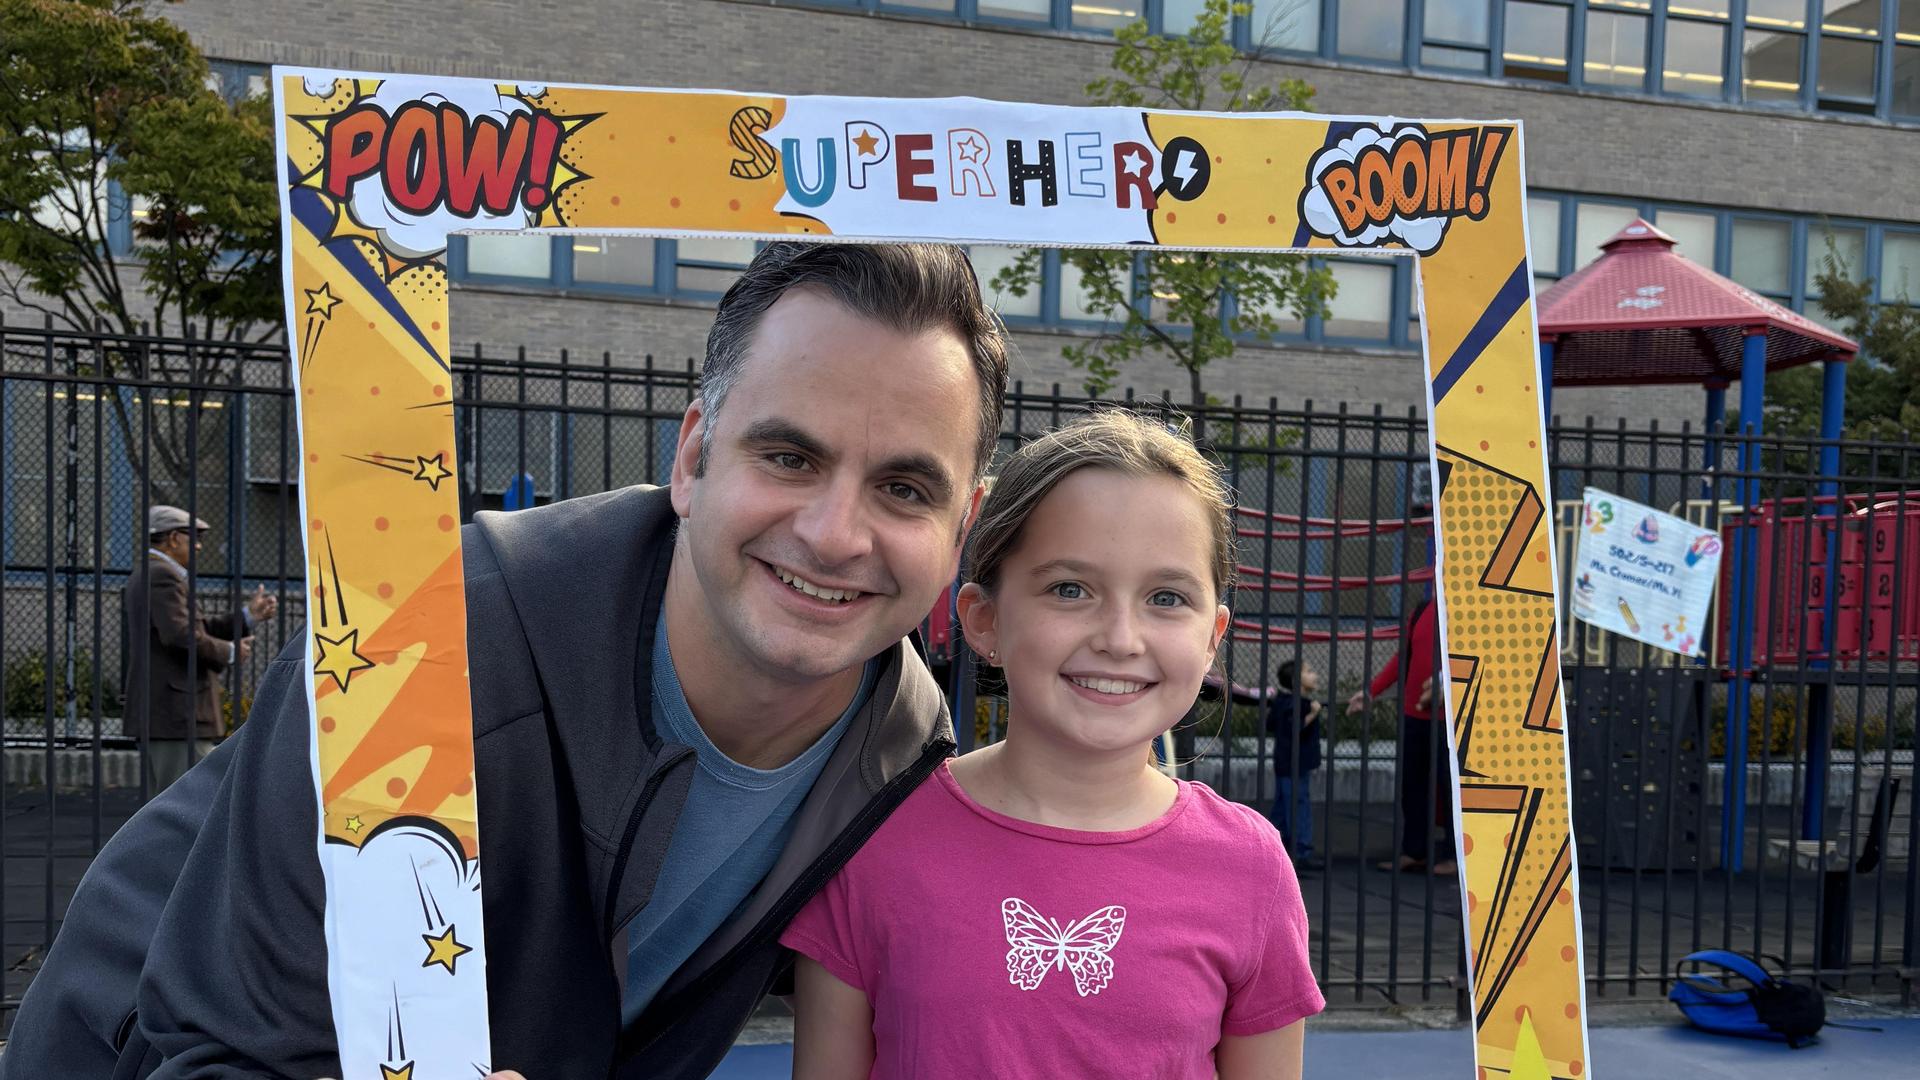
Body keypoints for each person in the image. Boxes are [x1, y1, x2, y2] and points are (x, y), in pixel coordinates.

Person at [3, 242, 1009, 1080]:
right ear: (694, 456)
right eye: (789, 457)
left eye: (905, 490)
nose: (837, 533)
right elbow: (220, 1054)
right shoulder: (420, 646)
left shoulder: (906, 757)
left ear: (962, 525)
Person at [781, 412, 1325, 1080]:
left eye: (1166, 597)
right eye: (1071, 589)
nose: (1120, 638)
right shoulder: (870, 838)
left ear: (1213, 636)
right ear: (984, 619)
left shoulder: (1250, 868)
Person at [122, 505, 277, 792]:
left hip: (172, 715)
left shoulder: (158, 574)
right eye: (193, 538)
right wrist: (229, 651)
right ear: (172, 539)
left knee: (179, 802)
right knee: (187, 803)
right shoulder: (161, 576)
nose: (198, 546)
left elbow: (195, 631)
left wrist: (248, 617)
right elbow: (180, 635)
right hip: (176, 714)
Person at [1347, 588, 1455, 876]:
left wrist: (1446, 684)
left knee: (1450, 787)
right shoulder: (1421, 611)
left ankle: (1454, 856)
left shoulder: (1469, 611)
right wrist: (1371, 692)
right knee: (1412, 785)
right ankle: (1415, 851)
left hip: (1451, 717)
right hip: (1414, 713)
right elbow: (1403, 658)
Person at [1265, 659, 1323, 873]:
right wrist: (1313, 713)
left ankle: (1271, 848)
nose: (1314, 675)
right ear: (1296, 680)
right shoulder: (1298, 704)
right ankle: (1301, 851)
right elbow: (1294, 728)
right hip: (1294, 763)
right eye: (1309, 671)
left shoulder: (1282, 701)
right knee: (1298, 805)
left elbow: (1271, 724)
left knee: (1283, 806)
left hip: (1284, 761)